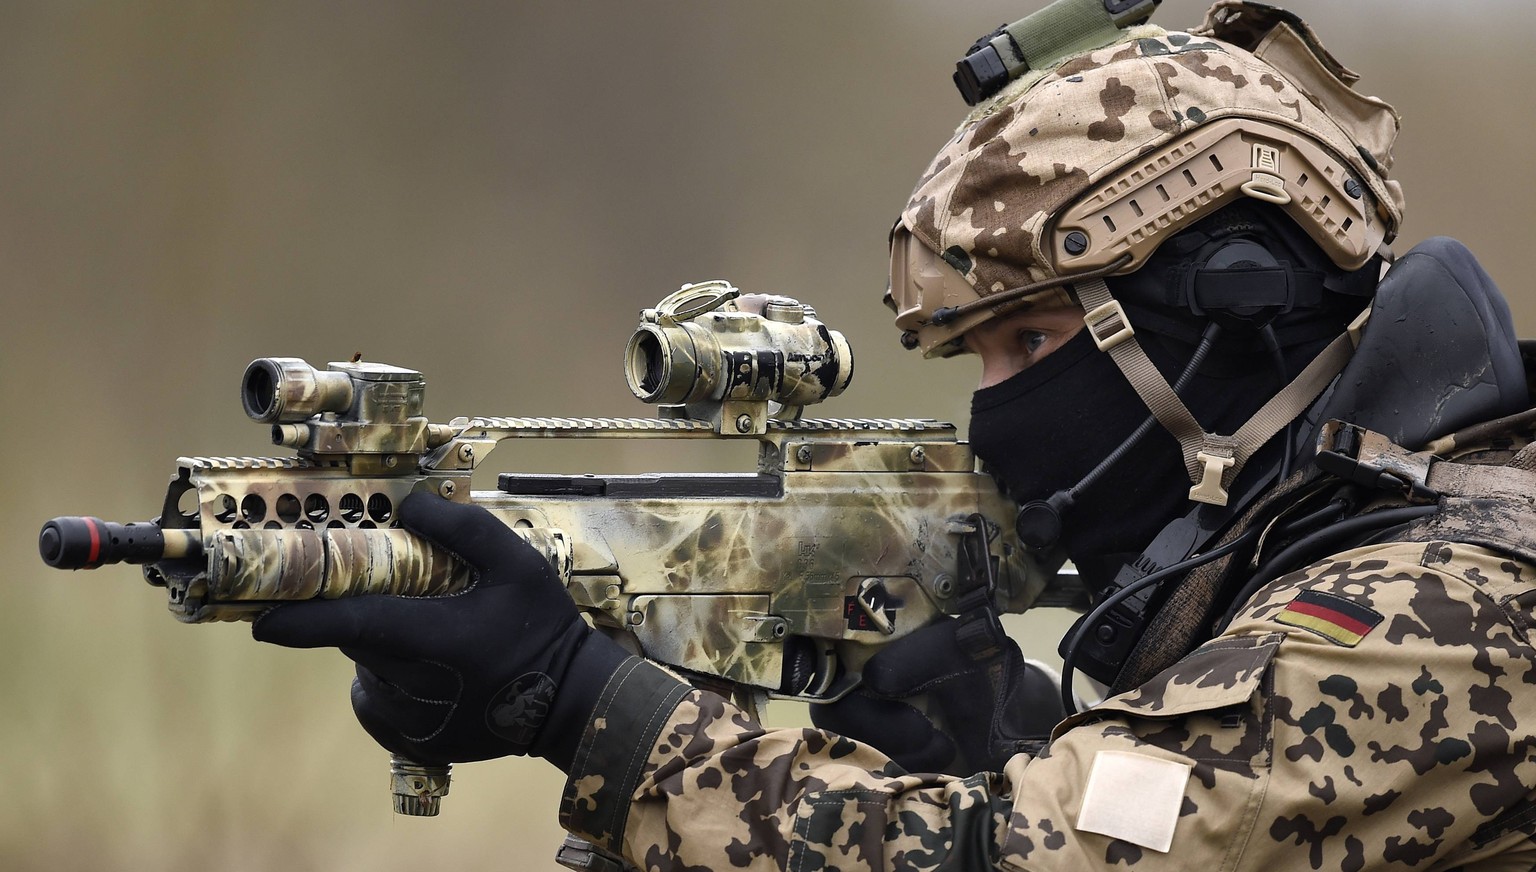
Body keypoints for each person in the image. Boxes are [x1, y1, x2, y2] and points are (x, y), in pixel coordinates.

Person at [253, 1, 1536, 868]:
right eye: (971, 354)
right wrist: (997, 743)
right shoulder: (1361, 531)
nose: (996, 408)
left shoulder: (1437, 607)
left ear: (1231, 306)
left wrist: (596, 712)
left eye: (1031, 341)